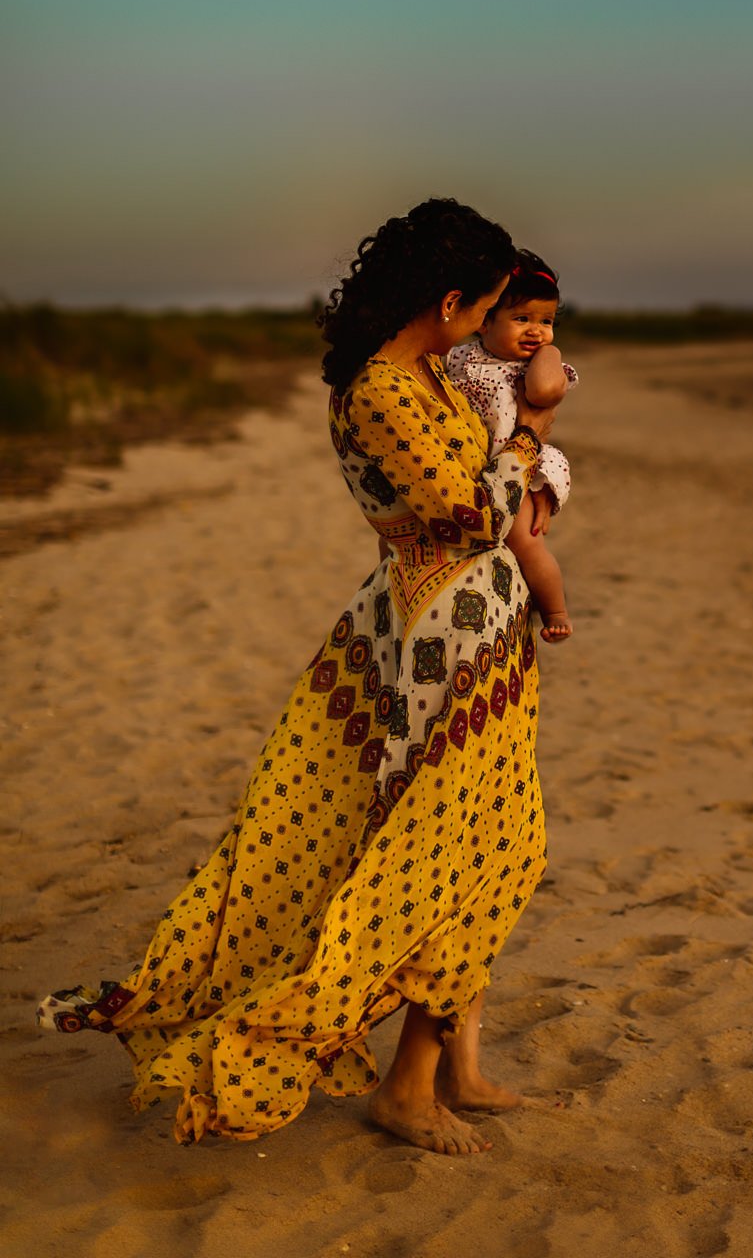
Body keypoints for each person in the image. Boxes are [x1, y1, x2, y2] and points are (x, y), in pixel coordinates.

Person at [38, 197, 559, 1156]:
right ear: (447, 301)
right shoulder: (379, 392)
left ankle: (450, 1068)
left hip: (485, 635)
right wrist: (529, 434)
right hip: (436, 637)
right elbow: (474, 509)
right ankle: (406, 1088)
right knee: (446, 856)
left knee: (497, 848)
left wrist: (515, 427)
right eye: (480, 306)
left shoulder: (429, 374)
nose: (484, 326)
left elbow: (491, 479)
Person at [444, 249, 576, 644]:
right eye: (522, 320)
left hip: (519, 467)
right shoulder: (458, 357)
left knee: (524, 540)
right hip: (473, 467)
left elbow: (545, 392)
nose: (536, 331)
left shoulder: (536, 366)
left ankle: (554, 609)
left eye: (547, 322)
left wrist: (549, 352)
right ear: (483, 322)